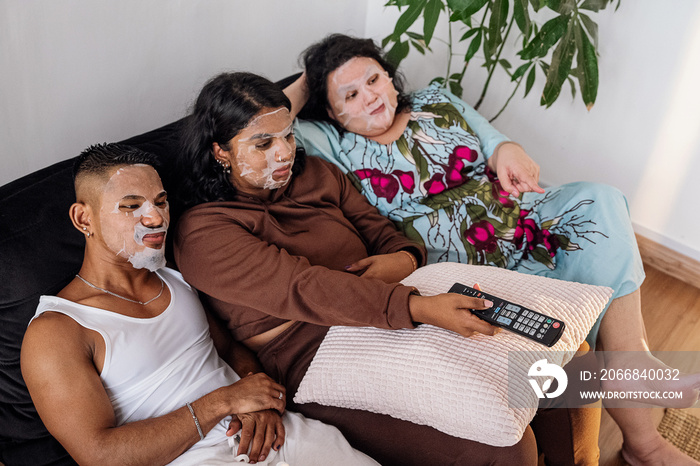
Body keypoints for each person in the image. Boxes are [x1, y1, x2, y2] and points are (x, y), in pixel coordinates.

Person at [291, 33, 700, 466]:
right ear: (331, 112)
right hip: (465, 260)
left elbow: (495, 141)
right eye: (350, 95)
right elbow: (272, 119)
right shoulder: (329, 142)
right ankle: (640, 425)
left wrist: (509, 151)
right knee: (585, 308)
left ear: (391, 78)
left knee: (599, 199)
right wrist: (314, 76)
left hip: (522, 221)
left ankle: (629, 369)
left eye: (374, 79)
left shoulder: (436, 98)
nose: (369, 96)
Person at [174, 71, 605, 466]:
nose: (284, 153)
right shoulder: (203, 231)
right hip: (310, 351)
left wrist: (403, 260)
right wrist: (418, 307)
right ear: (220, 152)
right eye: (263, 144)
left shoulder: (316, 174)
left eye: (287, 135)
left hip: (393, 306)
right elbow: (306, 287)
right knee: (505, 448)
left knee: (572, 364)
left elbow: (388, 235)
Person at [20, 143, 379, 466]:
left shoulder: (176, 277)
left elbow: (228, 348)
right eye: (131, 206)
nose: (156, 218)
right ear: (84, 219)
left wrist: (258, 395)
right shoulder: (57, 330)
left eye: (161, 201)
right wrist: (225, 401)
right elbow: (100, 456)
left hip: (275, 433)